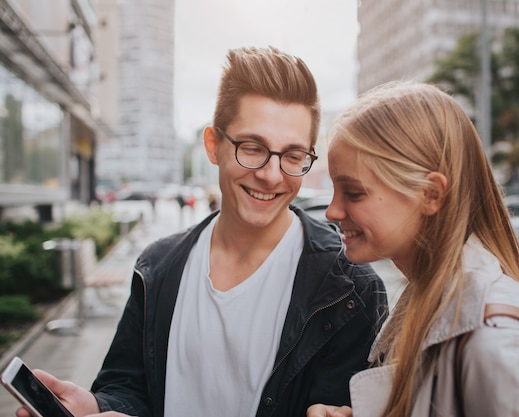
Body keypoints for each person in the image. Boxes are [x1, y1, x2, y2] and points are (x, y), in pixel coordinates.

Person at [18, 46, 387, 417]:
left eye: (292, 156)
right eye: (253, 147)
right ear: (213, 145)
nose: (271, 175)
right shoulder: (158, 266)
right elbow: (126, 384)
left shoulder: (350, 289)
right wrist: (98, 405)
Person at [307, 81, 519, 417]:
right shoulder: (436, 302)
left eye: (354, 193)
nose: (332, 212)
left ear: (431, 194)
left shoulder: (501, 348)